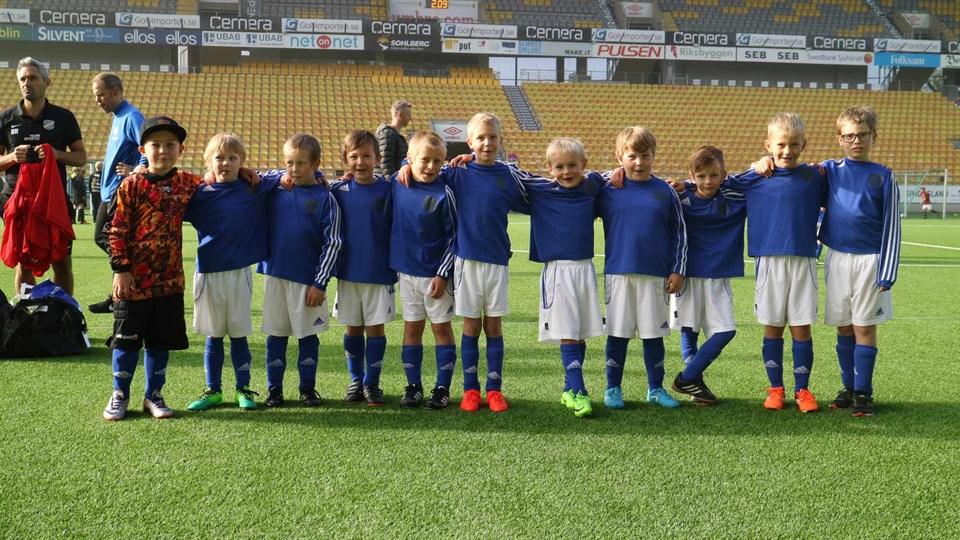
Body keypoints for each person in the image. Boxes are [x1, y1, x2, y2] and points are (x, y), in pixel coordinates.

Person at [102, 116, 201, 421]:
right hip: (133, 282)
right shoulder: (131, 185)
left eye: (170, 145)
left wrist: (249, 173)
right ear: (143, 150)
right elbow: (115, 230)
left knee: (160, 342)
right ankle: (120, 394)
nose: (163, 150)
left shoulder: (188, 183)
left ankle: (153, 395)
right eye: (155, 144)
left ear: (180, 149)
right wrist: (121, 269)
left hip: (169, 281)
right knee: (127, 341)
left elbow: (222, 180)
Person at [727, 112, 826, 413]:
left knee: (801, 327)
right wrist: (755, 164)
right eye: (781, 144)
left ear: (804, 144)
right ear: (768, 145)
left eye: (794, 144)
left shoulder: (814, 176)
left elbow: (839, 184)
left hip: (803, 260)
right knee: (773, 327)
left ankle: (802, 390)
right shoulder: (756, 177)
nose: (787, 151)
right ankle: (775, 389)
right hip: (768, 260)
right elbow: (717, 183)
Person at [183, 133, 276, 411]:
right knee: (213, 335)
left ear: (242, 161)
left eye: (233, 158)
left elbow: (288, 173)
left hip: (239, 272)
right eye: (219, 158)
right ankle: (213, 390)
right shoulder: (200, 193)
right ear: (209, 162)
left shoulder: (252, 187)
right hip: (208, 272)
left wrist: (251, 172)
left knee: (239, 333)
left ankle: (243, 389)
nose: (225, 163)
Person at [596, 126, 685, 411]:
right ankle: (612, 388)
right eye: (631, 156)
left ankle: (655, 388)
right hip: (618, 273)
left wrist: (677, 269)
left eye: (645, 156)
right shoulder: (608, 189)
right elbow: (580, 181)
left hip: (656, 275)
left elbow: (679, 233)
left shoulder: (665, 191)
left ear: (653, 156)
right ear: (619, 157)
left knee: (653, 334)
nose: (639, 162)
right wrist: (610, 172)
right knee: (617, 334)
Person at [819, 107, 900, 417]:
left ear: (873, 137)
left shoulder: (884, 175)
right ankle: (849, 387)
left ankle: (864, 391)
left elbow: (892, 226)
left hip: (871, 261)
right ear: (839, 138)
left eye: (863, 135)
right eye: (850, 135)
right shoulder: (829, 170)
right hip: (838, 258)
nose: (856, 141)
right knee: (843, 325)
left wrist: (887, 271)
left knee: (863, 326)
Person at [522, 137, 605, 418]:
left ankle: (568, 390)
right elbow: (510, 173)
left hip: (585, 268)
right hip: (558, 270)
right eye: (559, 167)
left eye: (572, 165)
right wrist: (469, 158)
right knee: (568, 335)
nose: (566, 172)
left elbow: (610, 176)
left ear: (583, 164)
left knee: (579, 334)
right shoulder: (541, 190)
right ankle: (580, 393)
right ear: (549, 168)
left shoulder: (592, 186)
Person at [258, 134, 342, 408]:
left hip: (308, 282)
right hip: (276, 276)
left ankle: (307, 387)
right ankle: (274, 388)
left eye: (301, 163)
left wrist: (320, 283)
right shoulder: (277, 189)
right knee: (276, 334)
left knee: (307, 335)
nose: (294, 169)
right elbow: (254, 176)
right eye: (289, 163)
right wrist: (278, 175)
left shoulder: (326, 198)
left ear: (316, 164)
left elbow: (333, 243)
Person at [0, 57, 86, 296]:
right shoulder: (6, 118)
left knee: (62, 263)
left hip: (53, 201)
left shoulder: (63, 117)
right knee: (24, 263)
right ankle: (28, 313)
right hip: (17, 203)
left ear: (47, 82)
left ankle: (63, 313)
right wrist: (12, 157)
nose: (26, 83)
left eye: (32, 78)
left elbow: (80, 157)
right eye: (22, 79)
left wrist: (55, 154)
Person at [669, 146, 746, 406]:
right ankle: (694, 386)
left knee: (725, 331)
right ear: (692, 175)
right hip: (687, 274)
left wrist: (763, 163)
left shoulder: (735, 197)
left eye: (714, 175)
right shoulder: (681, 198)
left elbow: (750, 181)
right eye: (700, 176)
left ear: (724, 174)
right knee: (689, 328)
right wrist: (686, 186)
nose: (708, 181)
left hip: (718, 275)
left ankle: (688, 376)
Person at [390, 131, 458, 409]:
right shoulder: (397, 183)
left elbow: (454, 238)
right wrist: (402, 167)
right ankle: (413, 386)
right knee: (412, 328)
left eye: (437, 161)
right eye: (425, 160)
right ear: (410, 159)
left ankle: (442, 388)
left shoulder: (444, 192)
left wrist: (442, 274)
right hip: (406, 274)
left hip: (436, 277)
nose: (431, 166)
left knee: (441, 329)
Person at [329, 130, 396, 407]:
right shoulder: (338, 190)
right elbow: (310, 180)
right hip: (348, 272)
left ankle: (372, 381)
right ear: (345, 159)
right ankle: (356, 379)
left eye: (366, 156)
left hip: (379, 272)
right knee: (353, 328)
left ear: (378, 158)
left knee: (375, 329)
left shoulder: (389, 189)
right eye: (354, 156)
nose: (360, 162)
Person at [89, 72, 147, 314]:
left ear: (115, 91)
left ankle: (125, 291)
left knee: (110, 241)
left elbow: (148, 150)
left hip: (119, 193)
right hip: (108, 193)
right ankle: (125, 289)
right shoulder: (118, 117)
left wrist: (134, 170)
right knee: (105, 240)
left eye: (100, 95)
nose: (97, 101)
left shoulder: (132, 116)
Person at [376, 101, 411, 177]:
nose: (410, 118)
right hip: (386, 180)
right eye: (408, 115)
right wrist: (391, 181)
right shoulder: (388, 134)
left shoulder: (395, 135)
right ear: (400, 115)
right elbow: (385, 162)